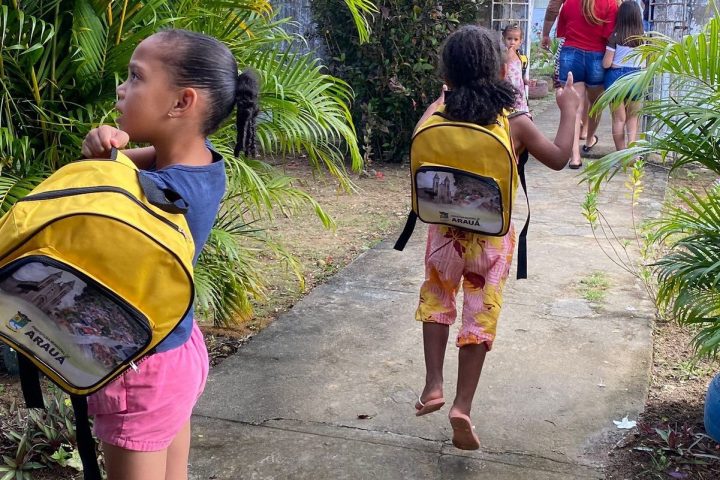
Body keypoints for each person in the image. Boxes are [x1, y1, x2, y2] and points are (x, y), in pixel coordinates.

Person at [80, 29, 259, 480]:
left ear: (182, 102)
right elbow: (125, 166)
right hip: (175, 349)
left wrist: (99, 161)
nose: (122, 89)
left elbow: (89, 213)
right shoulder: (198, 163)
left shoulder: (161, 194)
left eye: (135, 77)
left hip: (141, 365)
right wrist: (107, 152)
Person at [412, 25, 580, 450]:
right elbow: (559, 158)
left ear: (446, 72)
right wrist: (569, 109)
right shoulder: (514, 122)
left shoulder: (437, 111)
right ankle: (462, 406)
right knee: (478, 314)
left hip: (442, 230)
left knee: (437, 298)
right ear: (502, 68)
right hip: (490, 238)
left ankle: (433, 383)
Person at [557, 0, 619, 168]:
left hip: (571, 54)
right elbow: (609, 36)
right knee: (596, 104)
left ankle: (575, 157)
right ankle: (590, 138)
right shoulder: (610, 3)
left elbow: (562, 31)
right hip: (597, 56)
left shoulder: (569, 3)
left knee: (574, 108)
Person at [542, 0, 592, 140]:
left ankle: (573, 125)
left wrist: (546, 33)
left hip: (569, 40)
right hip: (596, 42)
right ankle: (584, 128)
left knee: (565, 85)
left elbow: (553, 8)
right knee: (589, 90)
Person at [603, 0, 645, 151]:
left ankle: (621, 154)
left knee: (619, 119)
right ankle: (632, 153)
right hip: (636, 78)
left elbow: (606, 64)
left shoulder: (615, 36)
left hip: (616, 79)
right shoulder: (644, 38)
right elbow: (645, 63)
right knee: (633, 117)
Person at [502, 24, 529, 112]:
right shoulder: (502, 56)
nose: (512, 42)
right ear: (503, 39)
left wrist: (527, 81)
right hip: (507, 93)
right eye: (509, 39)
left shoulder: (521, 57)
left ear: (520, 41)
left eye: (516, 39)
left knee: (521, 114)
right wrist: (507, 58)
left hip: (520, 96)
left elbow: (520, 75)